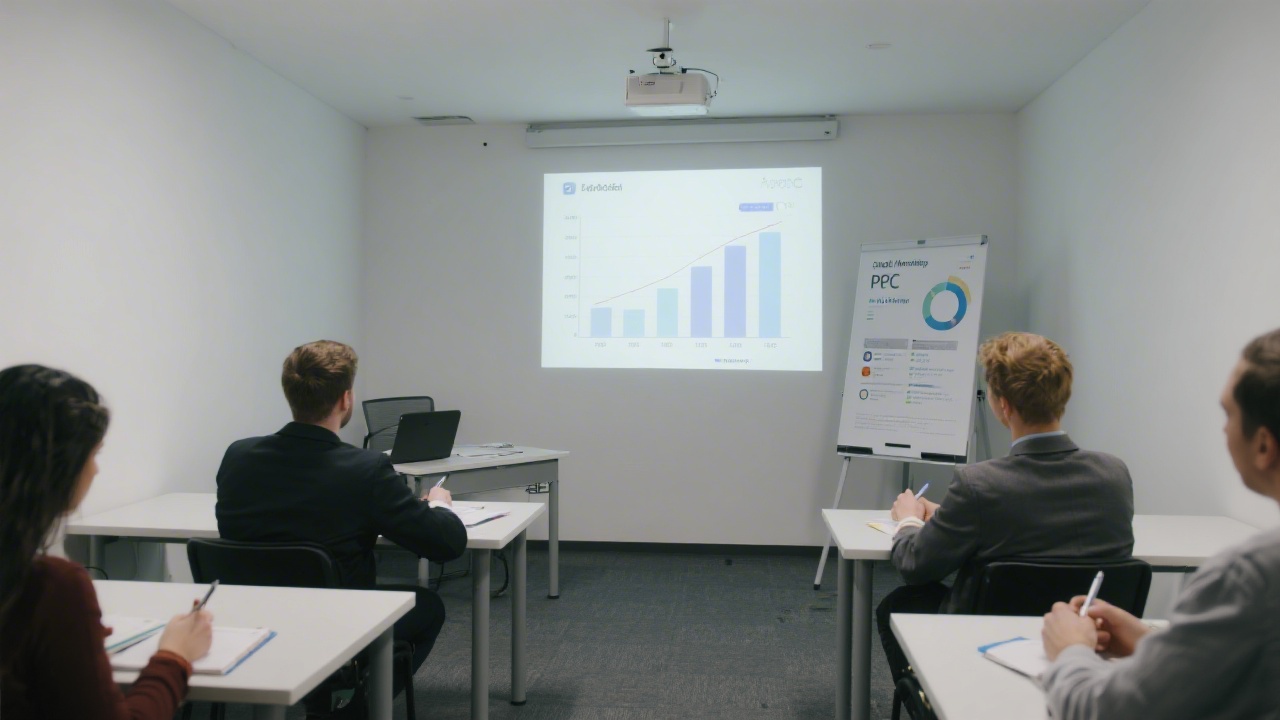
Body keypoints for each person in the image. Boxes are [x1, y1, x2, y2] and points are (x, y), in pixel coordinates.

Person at [1041, 328, 1280, 719]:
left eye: (1228, 413)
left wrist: (1070, 650)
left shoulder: (1248, 578)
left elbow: (1106, 712)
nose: (1223, 429)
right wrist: (1154, 641)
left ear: (1264, 445)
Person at [216, 340, 466, 712]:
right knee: (427, 607)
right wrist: (440, 507)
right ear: (346, 399)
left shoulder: (238, 455)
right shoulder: (365, 470)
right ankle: (354, 709)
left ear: (290, 394)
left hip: (252, 619)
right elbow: (446, 544)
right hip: (334, 625)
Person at [876, 332, 1135, 687]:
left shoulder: (979, 483)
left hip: (983, 641)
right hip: (1087, 641)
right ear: (1063, 395)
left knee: (900, 602)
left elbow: (916, 566)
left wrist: (907, 518)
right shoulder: (1114, 474)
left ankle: (933, 700)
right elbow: (1040, 524)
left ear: (1003, 406)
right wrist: (949, 516)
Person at [0, 364, 213, 718]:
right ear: (60, 466)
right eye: (94, 453)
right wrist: (175, 655)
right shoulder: (50, 587)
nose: (97, 469)